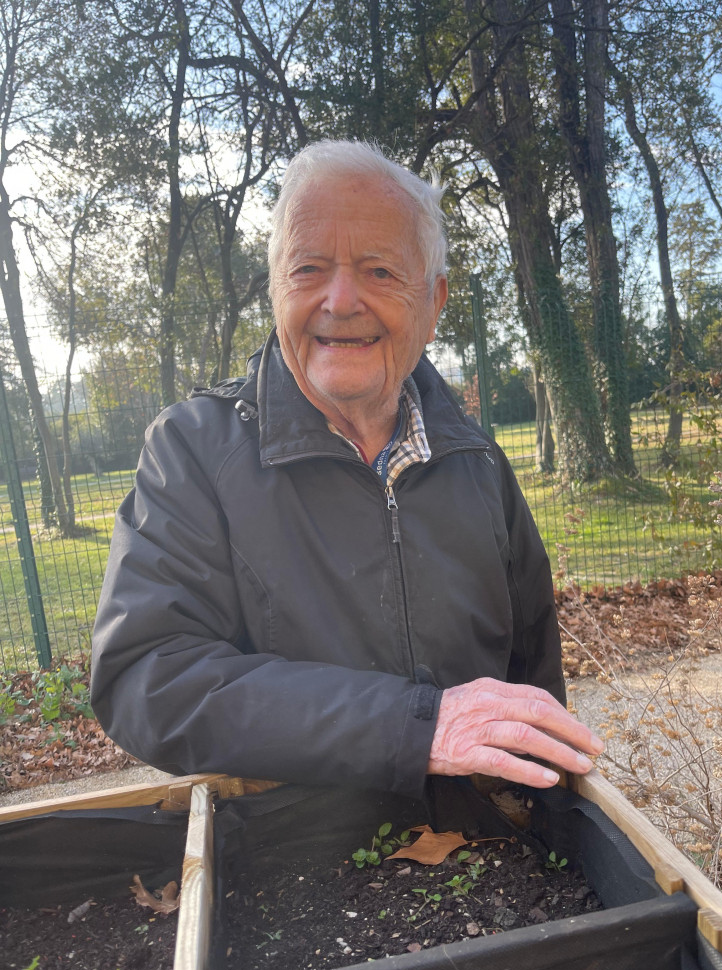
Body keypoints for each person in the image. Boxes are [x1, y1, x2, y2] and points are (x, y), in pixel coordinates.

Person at [91, 139, 603, 798]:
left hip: (485, 863)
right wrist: (410, 726)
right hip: (291, 866)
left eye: (380, 271)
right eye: (308, 269)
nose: (340, 300)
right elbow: (146, 676)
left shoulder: (476, 463)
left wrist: (548, 814)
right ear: (276, 288)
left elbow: (530, 689)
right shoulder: (193, 452)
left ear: (434, 301)